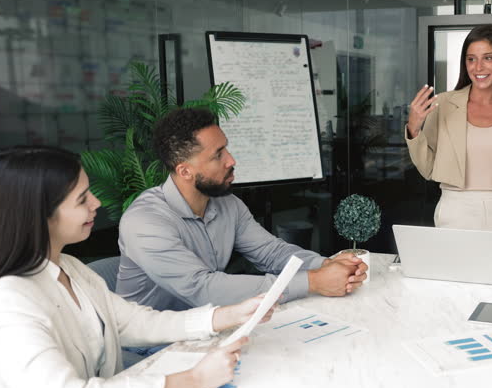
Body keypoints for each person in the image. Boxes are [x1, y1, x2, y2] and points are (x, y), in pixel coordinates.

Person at [0, 146, 276, 388]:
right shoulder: (5, 301)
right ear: (39, 215)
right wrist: (194, 379)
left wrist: (229, 315)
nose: (96, 203)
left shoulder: (69, 268)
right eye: (82, 199)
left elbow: (134, 321)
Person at [116, 108, 367, 312]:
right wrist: (313, 281)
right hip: (152, 349)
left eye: (226, 148)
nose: (231, 160)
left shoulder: (227, 203)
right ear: (185, 171)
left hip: (211, 328)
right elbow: (204, 290)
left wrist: (327, 265)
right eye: (218, 155)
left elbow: (271, 252)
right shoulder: (144, 223)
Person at [406, 24, 492, 266]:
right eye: (471, 59)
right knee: (455, 287)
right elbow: (428, 169)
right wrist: (414, 129)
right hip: (456, 210)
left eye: (488, 58)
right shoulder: (443, 105)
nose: (478, 67)